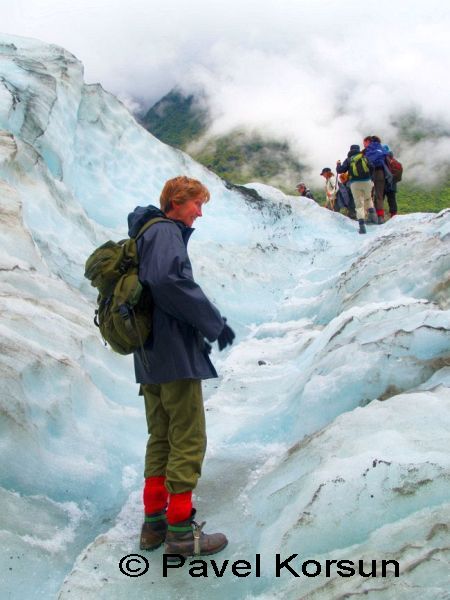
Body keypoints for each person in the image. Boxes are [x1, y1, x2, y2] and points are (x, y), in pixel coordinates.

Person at [127, 175, 235, 558]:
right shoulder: (165, 232)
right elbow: (167, 280)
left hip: (150, 357)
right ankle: (179, 531)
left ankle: (153, 526)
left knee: (161, 438)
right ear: (177, 201)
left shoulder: (145, 233)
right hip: (173, 356)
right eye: (196, 204)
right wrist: (213, 323)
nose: (199, 213)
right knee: (187, 439)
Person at [336, 144, 377, 234]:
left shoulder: (349, 160)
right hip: (367, 182)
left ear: (350, 150)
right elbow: (372, 167)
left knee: (359, 205)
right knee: (368, 198)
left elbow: (340, 170)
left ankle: (362, 228)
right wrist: (370, 178)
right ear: (358, 150)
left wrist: (338, 164)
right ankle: (374, 219)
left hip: (355, 183)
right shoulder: (364, 157)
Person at [363, 135, 388, 224]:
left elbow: (366, 161)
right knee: (379, 195)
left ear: (368, 141)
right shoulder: (381, 148)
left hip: (371, 173)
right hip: (381, 173)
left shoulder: (369, 149)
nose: (364, 145)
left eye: (364, 143)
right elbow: (386, 159)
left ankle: (371, 216)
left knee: (369, 195)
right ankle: (380, 217)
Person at [383, 145, 398, 218]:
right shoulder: (393, 160)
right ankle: (394, 215)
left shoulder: (383, 159)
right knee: (392, 200)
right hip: (393, 183)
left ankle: (380, 216)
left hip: (384, 183)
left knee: (379, 199)